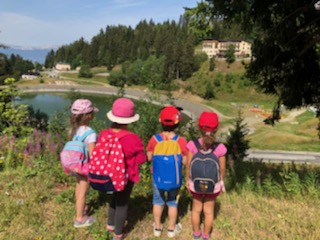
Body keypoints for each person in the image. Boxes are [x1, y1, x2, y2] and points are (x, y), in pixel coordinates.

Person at [104, 98, 146, 240]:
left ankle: (110, 225)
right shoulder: (133, 139)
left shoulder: (105, 134)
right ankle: (118, 234)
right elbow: (141, 159)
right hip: (126, 177)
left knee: (114, 198)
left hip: (108, 175)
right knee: (122, 203)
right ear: (129, 120)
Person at [146, 106, 188, 238]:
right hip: (174, 177)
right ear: (178, 123)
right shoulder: (181, 141)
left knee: (157, 201)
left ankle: (157, 228)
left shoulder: (154, 139)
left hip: (157, 176)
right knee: (172, 202)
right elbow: (185, 161)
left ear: (160, 120)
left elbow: (148, 158)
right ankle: (171, 229)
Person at [186, 111, 227, 240]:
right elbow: (222, 168)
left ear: (199, 127)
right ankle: (206, 235)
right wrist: (221, 181)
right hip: (212, 185)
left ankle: (196, 234)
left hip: (195, 183)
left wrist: (188, 179)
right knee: (209, 211)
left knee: (196, 209)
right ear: (217, 128)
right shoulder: (220, 148)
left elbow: (188, 165)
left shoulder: (193, 145)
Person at [69, 99, 99, 228]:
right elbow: (93, 154)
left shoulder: (73, 129)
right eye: (92, 112)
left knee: (78, 188)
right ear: (88, 115)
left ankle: (80, 208)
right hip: (84, 166)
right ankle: (80, 218)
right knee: (83, 191)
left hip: (75, 164)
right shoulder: (90, 133)